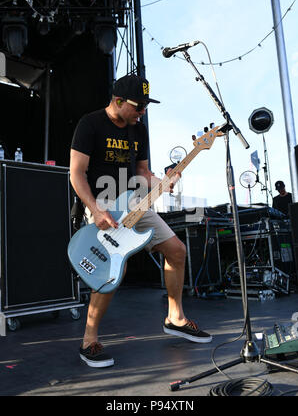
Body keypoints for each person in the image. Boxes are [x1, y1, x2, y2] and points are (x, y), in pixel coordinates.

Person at [70, 74, 212, 368]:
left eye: (146, 107)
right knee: (108, 272)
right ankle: (89, 340)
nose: (142, 112)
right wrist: (96, 210)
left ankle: (175, 317)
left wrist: (164, 181)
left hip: (135, 203)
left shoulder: (139, 129)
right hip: (102, 205)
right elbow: (76, 173)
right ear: (118, 101)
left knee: (177, 250)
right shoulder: (90, 123)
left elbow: (143, 173)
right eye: (138, 106)